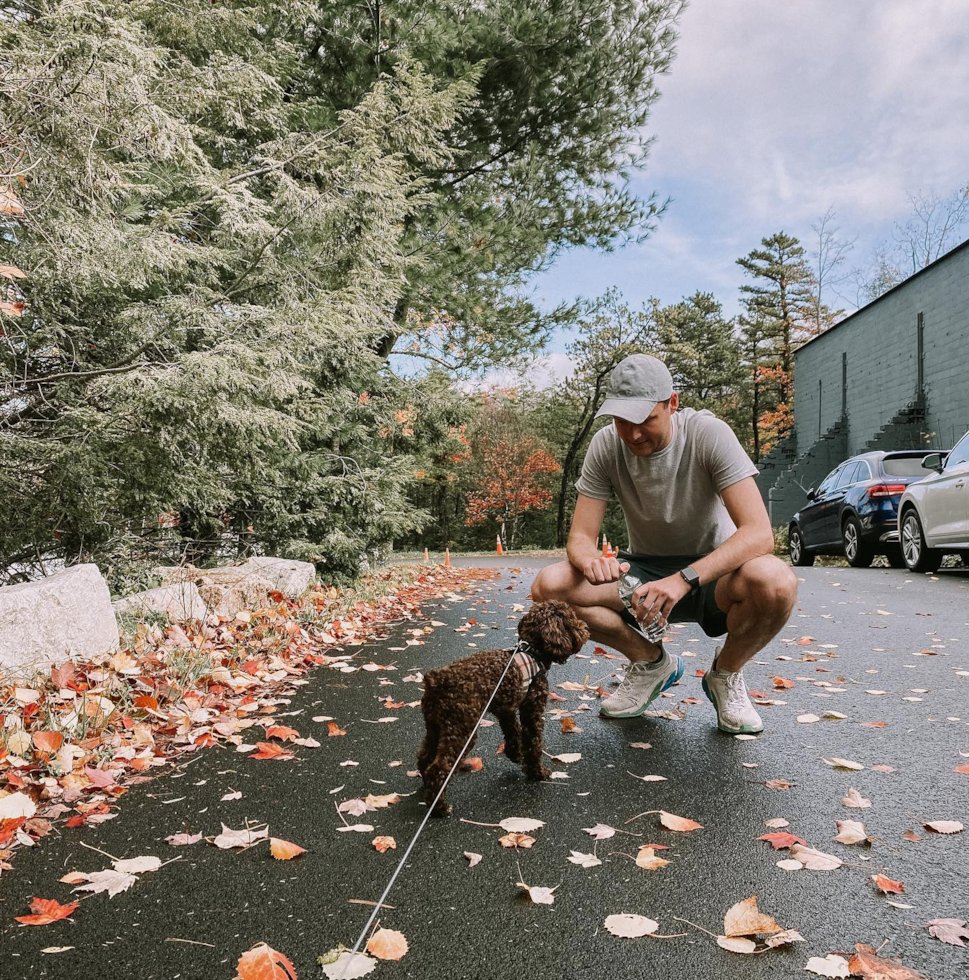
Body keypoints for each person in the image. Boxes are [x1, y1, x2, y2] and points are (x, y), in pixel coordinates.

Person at [531, 354, 798, 734]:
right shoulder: (606, 445)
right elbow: (579, 538)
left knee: (776, 581)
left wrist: (684, 579)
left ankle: (725, 674)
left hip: (714, 574)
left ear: (671, 403)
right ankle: (652, 663)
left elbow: (758, 533)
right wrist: (590, 560)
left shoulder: (709, 434)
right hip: (641, 574)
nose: (633, 434)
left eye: (645, 420)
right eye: (622, 421)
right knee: (549, 587)